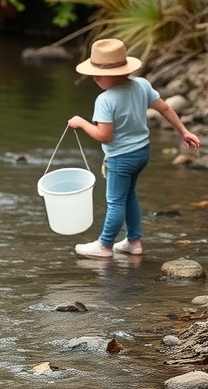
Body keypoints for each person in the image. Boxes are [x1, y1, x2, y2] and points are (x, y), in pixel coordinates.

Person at [68, 38, 200, 259]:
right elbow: (165, 107)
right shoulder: (141, 84)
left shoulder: (105, 100)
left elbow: (105, 137)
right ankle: (133, 241)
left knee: (115, 201)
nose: (93, 78)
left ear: (103, 76)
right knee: (129, 195)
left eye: (94, 75)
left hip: (120, 158)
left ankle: (105, 246)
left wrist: (81, 123)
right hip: (142, 153)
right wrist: (184, 131)